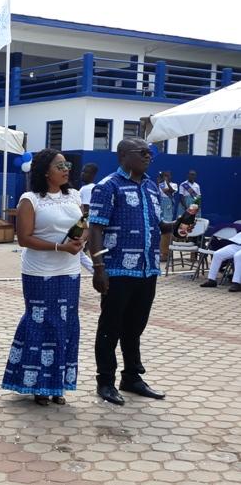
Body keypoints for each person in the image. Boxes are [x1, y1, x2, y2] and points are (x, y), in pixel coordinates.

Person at [88, 137, 175, 405]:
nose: (149, 156)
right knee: (110, 327)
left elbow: (159, 225)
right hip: (117, 270)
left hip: (147, 270)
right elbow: (95, 229)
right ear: (124, 156)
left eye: (150, 153)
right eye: (143, 152)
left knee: (135, 327)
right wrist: (99, 268)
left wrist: (179, 223)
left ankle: (132, 378)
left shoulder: (150, 187)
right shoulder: (108, 187)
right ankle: (105, 381)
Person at [2, 150, 85, 405]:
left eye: (67, 164)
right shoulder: (31, 199)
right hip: (40, 272)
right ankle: (37, 384)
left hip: (70, 271)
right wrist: (59, 247)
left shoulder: (74, 195)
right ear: (45, 171)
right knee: (41, 322)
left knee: (66, 324)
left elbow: (83, 225)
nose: (66, 169)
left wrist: (81, 239)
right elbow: (24, 238)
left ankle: (57, 384)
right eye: (60, 165)